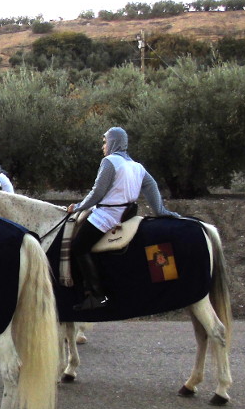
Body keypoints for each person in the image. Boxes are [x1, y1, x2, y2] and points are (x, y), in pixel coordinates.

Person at [67, 126, 178, 311]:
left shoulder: (110, 161)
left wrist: (78, 207)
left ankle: (96, 296)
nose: (103, 146)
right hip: (126, 214)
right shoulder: (137, 166)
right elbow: (151, 186)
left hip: (107, 215)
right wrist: (160, 210)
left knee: (79, 247)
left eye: (105, 142)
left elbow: (97, 192)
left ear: (113, 142)